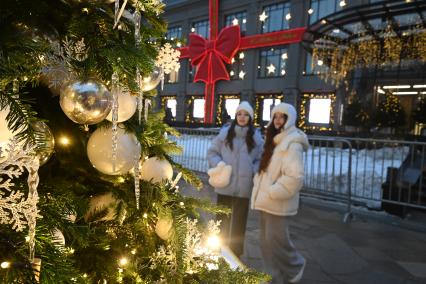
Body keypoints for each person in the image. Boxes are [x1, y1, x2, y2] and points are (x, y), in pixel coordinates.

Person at [251, 103, 309, 283]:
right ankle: (272, 274)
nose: (277, 120)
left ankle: (295, 266)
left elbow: (295, 176)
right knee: (266, 242)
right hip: (267, 200)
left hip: (277, 201)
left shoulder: (292, 143)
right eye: (275, 117)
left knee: (278, 242)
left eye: (282, 117)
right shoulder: (275, 139)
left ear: (289, 119)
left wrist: (274, 191)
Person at [207, 101, 264, 257]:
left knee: (239, 223)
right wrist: (219, 165)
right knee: (221, 220)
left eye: (246, 114)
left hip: (244, 187)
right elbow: (212, 152)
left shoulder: (256, 138)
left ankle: (235, 254)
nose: (242, 117)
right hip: (225, 185)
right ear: (235, 116)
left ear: (250, 118)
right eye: (239, 114)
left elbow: (261, 159)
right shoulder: (225, 135)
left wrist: (253, 170)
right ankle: (218, 251)